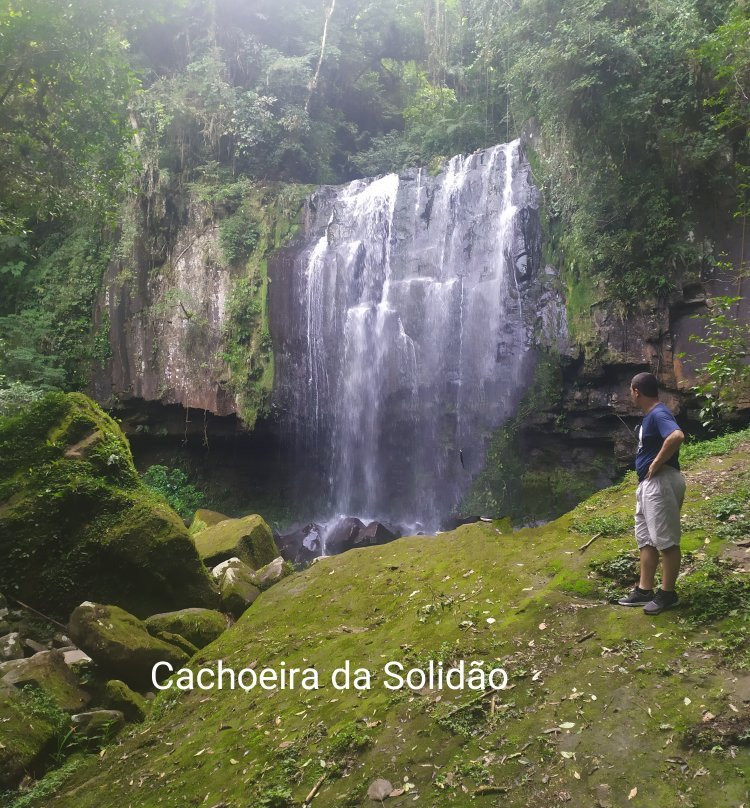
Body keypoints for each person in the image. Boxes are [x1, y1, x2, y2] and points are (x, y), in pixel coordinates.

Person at [617, 372, 686, 614]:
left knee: (665, 540)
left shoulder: (659, 412)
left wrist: (656, 463)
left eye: (630, 390)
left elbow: (677, 436)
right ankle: (644, 590)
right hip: (649, 486)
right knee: (646, 539)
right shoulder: (650, 416)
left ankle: (668, 594)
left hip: (661, 483)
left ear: (637, 391)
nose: (630, 394)